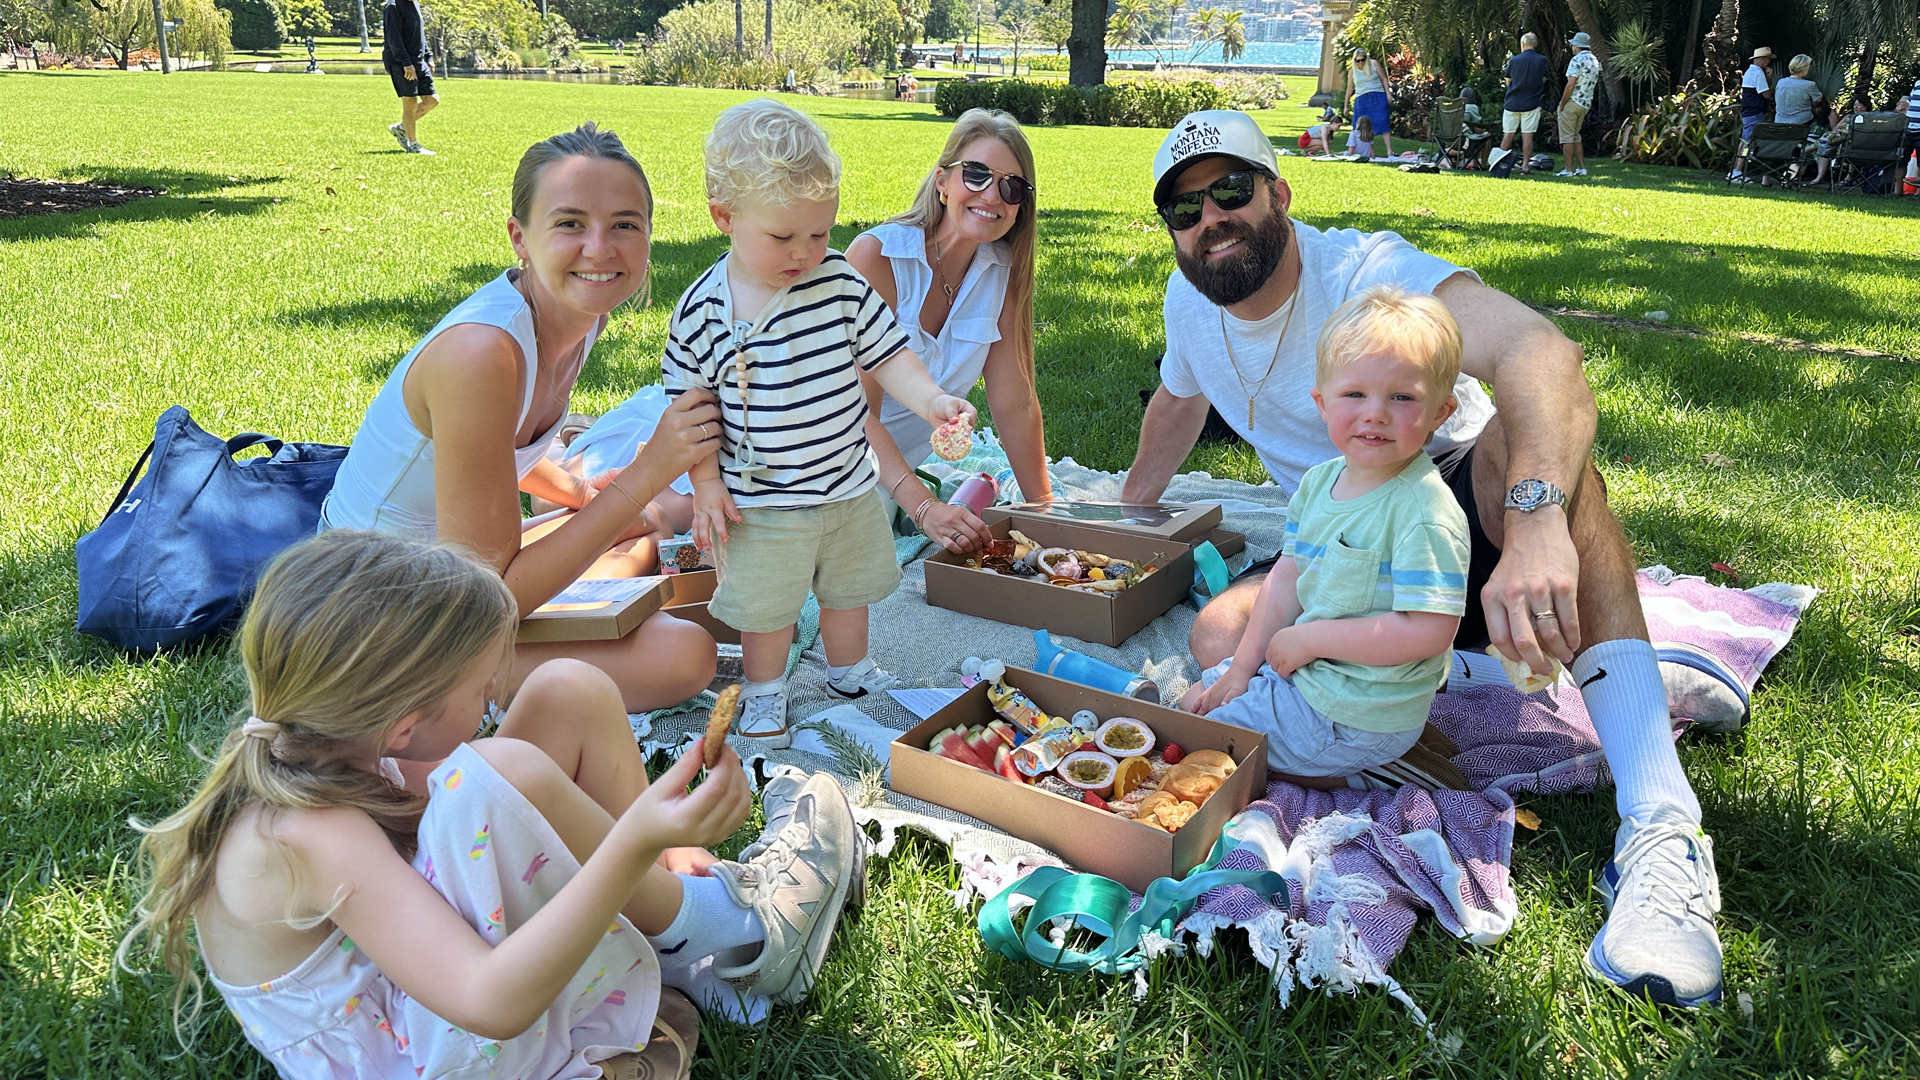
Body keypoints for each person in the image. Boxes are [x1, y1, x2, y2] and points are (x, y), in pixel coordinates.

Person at [1128, 109, 1734, 1008]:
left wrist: (1534, 522)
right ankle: (1546, 674)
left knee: (1558, 473)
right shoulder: (1191, 301)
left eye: (1230, 190)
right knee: (1223, 639)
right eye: (1185, 208)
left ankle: (1658, 826)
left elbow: (1543, 354)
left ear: (1279, 193)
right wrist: (1124, 513)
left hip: (1440, 487)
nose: (1210, 220)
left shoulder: (1366, 272)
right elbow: (1177, 406)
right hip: (1336, 534)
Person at [117, 530, 865, 1077]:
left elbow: (483, 799)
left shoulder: (332, 742)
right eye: (480, 691)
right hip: (431, 1054)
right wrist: (629, 845)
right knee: (495, 765)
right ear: (405, 722)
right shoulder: (308, 834)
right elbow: (488, 1000)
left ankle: (687, 930)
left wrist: (655, 844)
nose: (488, 703)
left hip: (427, 1001)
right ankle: (736, 938)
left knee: (564, 692)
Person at [321, 124, 721, 714]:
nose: (600, 248)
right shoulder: (483, 354)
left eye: (624, 225)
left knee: (647, 525)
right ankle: (438, 697)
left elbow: (493, 457)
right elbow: (494, 596)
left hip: (449, 574)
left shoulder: (576, 313)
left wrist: (582, 494)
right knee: (685, 654)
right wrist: (647, 472)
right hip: (378, 616)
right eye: (570, 223)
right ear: (520, 238)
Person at [665, 99, 976, 748]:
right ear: (724, 217)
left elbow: (888, 355)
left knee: (848, 592)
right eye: (784, 237)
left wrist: (932, 402)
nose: (806, 252)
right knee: (767, 608)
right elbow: (690, 412)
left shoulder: (838, 281)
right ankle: (764, 689)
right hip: (763, 499)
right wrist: (705, 484)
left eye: (820, 232)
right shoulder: (702, 308)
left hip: (845, 485)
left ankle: (849, 671)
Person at [1182, 285, 1470, 784]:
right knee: (1192, 701)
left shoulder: (1422, 511)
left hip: (1357, 710)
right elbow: (1286, 578)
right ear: (1321, 402)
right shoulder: (1320, 483)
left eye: (1402, 397)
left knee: (1198, 743)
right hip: (1311, 678)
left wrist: (1311, 640)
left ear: (1441, 412)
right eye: (1354, 394)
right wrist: (1241, 669)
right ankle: (1324, 751)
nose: (1375, 413)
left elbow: (1429, 630)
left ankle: (1370, 773)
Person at [846, 108, 1051, 556]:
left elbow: (1015, 404)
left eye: (1011, 186)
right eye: (976, 174)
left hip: (898, 474)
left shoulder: (1003, 274)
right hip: (833, 456)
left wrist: (1045, 511)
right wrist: (924, 508)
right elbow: (853, 415)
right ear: (942, 181)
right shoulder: (876, 258)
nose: (992, 195)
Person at [381, 0, 437, 155]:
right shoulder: (392, 7)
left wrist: (428, 56)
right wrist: (406, 63)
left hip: (419, 61)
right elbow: (394, 39)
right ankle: (413, 145)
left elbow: (420, 33)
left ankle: (401, 128)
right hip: (401, 63)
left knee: (432, 100)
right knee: (410, 102)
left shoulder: (414, 4)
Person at [1499, 33, 1551, 173]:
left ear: (1522, 44)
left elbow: (1508, 81)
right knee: (1527, 135)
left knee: (1508, 134)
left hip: (1512, 102)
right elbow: (1543, 79)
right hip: (1532, 102)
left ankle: (1499, 165)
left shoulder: (1514, 60)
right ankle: (1525, 166)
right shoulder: (1542, 60)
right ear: (1535, 44)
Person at [1556, 32, 1602, 177]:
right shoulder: (1594, 60)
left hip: (1573, 101)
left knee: (1567, 137)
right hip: (1585, 103)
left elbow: (1570, 85)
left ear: (1577, 46)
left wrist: (1562, 103)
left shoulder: (1576, 60)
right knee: (1576, 136)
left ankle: (1568, 169)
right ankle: (1581, 168)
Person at [1729, 46, 1776, 183]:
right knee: (1748, 141)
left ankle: (1736, 170)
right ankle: (1737, 171)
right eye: (1767, 58)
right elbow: (1765, 94)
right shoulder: (1757, 73)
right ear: (1762, 58)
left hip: (1749, 111)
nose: (1768, 61)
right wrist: (1770, 82)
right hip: (1755, 111)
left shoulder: (1750, 71)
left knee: (1745, 140)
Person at [1346, 47, 1394, 158]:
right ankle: (1354, 150)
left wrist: (1388, 94)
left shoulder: (1374, 64)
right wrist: (1346, 106)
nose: (1360, 62)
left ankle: (1389, 151)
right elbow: (1349, 89)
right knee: (1358, 125)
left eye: (1362, 59)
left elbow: (1384, 79)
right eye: (1357, 60)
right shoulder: (1352, 71)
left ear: (1366, 58)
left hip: (1377, 95)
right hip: (1361, 98)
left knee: (1383, 122)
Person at [1773, 54, 1821, 126]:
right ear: (1805, 68)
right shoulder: (1809, 85)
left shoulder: (1780, 82)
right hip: (1802, 123)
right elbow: (1819, 100)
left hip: (1780, 122)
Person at [1461, 87, 1493, 167]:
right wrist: (1485, 130)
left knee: (1477, 137)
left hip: (1449, 137)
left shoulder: (1455, 107)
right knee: (1486, 137)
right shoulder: (1472, 107)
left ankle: (1476, 164)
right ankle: (1482, 164)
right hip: (1464, 138)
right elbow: (1478, 129)